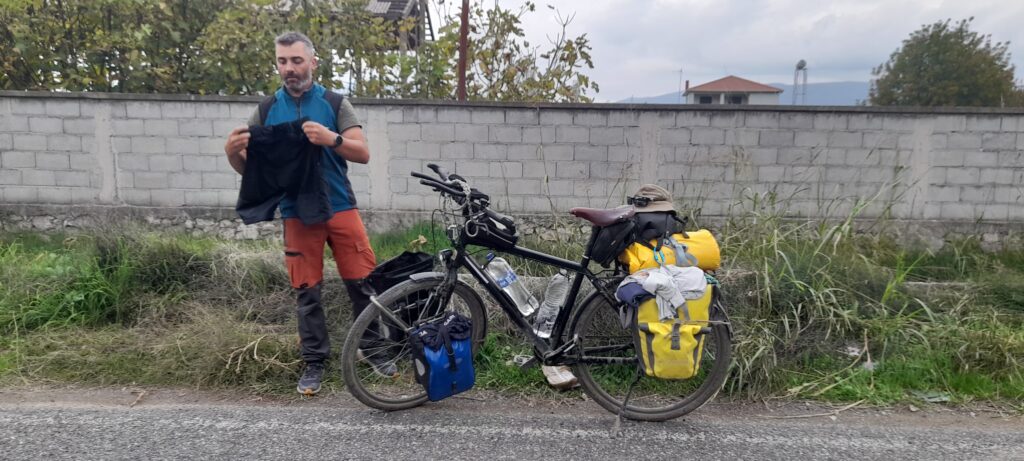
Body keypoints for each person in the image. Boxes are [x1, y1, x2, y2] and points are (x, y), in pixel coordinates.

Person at [224, 31, 393, 396]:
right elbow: (253, 172)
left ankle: (373, 349)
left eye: (297, 61)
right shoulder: (266, 110)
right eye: (282, 61)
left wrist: (332, 138)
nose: (289, 68)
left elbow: (363, 153)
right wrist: (232, 153)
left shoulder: (335, 103)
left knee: (364, 283)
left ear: (313, 62)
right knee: (307, 292)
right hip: (297, 212)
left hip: (340, 206)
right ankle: (314, 361)